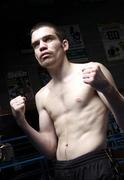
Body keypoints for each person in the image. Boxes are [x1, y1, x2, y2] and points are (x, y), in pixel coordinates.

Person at [10, 22, 124, 180]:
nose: (42, 46)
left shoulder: (92, 71)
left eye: (48, 39)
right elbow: (50, 149)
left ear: (64, 45)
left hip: (94, 164)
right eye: (36, 44)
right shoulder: (41, 95)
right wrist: (21, 122)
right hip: (61, 170)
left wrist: (107, 89)